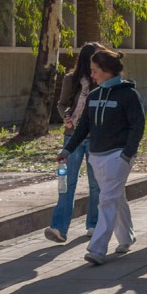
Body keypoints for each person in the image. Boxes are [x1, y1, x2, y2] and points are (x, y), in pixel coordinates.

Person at [58, 48, 145, 265]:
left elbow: (138, 126)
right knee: (115, 196)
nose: (92, 75)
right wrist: (68, 150)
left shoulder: (128, 95)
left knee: (106, 200)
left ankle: (97, 248)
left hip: (118, 156)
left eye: (95, 71)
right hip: (96, 156)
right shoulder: (94, 96)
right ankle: (126, 237)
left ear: (107, 71)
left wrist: (127, 153)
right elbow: (83, 127)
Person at [46, 42, 105, 243]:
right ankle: (59, 228)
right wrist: (67, 115)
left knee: (95, 184)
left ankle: (93, 225)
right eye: (97, 57)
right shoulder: (71, 79)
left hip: (96, 137)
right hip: (72, 137)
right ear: (87, 59)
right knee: (67, 182)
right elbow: (62, 104)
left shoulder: (103, 80)